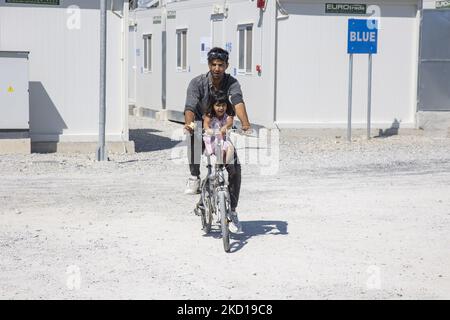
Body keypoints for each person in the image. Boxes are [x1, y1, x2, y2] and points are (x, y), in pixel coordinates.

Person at [184, 47, 251, 233]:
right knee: (193, 134)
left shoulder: (232, 83)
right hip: (202, 126)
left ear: (226, 66)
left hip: (221, 130)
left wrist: (245, 123)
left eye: (221, 65)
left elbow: (237, 101)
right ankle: (194, 176)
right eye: (213, 64)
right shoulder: (197, 83)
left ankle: (233, 211)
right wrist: (189, 123)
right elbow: (189, 106)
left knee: (234, 169)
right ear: (209, 65)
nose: (217, 68)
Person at [203, 95, 235, 166]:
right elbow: (206, 126)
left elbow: (230, 123)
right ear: (213, 106)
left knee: (230, 148)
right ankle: (219, 163)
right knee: (219, 145)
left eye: (223, 105)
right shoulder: (210, 116)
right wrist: (210, 131)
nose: (221, 108)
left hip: (223, 140)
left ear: (227, 106)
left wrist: (225, 127)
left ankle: (223, 165)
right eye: (218, 105)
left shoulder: (227, 116)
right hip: (212, 140)